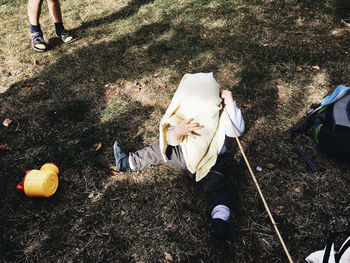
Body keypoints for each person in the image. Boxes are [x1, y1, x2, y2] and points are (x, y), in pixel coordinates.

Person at [113, 73, 245, 240]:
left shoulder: (219, 114)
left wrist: (231, 104)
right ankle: (128, 162)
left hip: (210, 161)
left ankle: (220, 220)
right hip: (182, 156)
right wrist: (178, 132)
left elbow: (237, 131)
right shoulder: (182, 115)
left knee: (217, 187)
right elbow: (170, 139)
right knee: (158, 150)